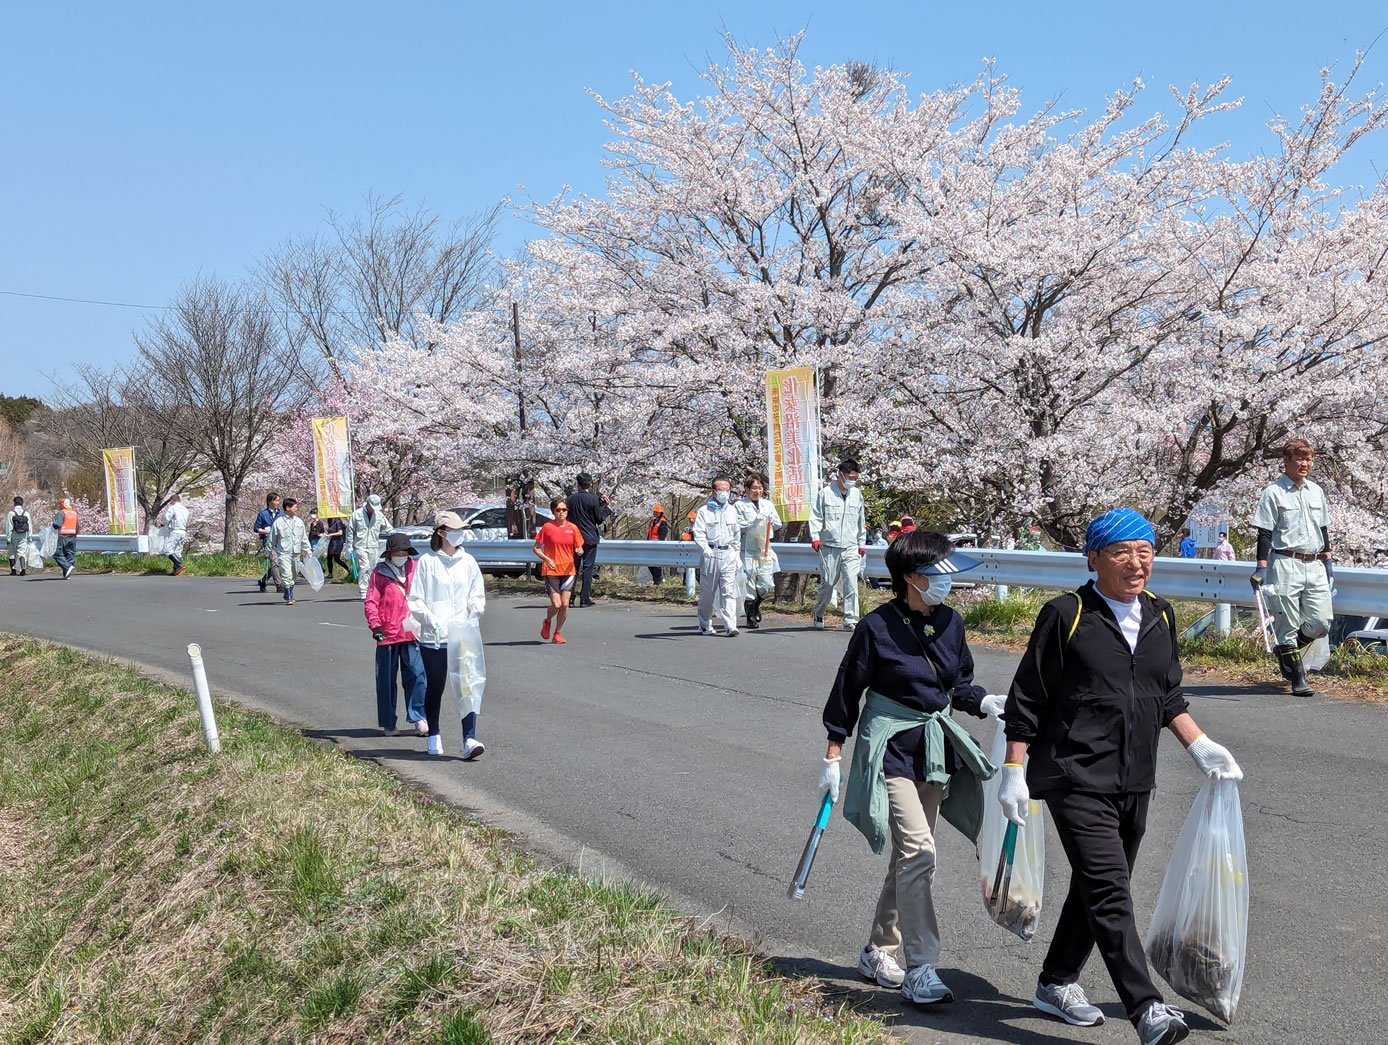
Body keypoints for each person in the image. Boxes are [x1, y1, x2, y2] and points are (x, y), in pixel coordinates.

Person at [999, 507, 1243, 1045]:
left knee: (1099, 884)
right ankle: (1147, 1009)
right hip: (1073, 773)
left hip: (1135, 777)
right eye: (1122, 553)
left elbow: (1167, 694)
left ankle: (1056, 980)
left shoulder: (1160, 614)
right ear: (1094, 559)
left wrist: (1201, 746)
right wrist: (1014, 768)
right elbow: (1027, 699)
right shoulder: (1066, 615)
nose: (1136, 564)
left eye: (1145, 552)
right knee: (1111, 892)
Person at [818, 529, 1003, 1006]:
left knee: (910, 857)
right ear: (910, 578)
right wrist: (833, 753)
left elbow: (959, 684)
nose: (945, 582)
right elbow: (847, 690)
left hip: (932, 749)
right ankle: (921, 966)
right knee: (920, 851)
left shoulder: (951, 622)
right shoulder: (875, 627)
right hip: (889, 749)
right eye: (936, 573)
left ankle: (878, 950)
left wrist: (985, 703)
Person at [1250, 438, 1334, 698]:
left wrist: (1328, 560)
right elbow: (1265, 532)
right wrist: (1261, 568)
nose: (1304, 464)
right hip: (1285, 561)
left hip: (1314, 562)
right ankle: (1298, 678)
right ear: (1286, 461)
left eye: (1308, 459)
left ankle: (1287, 653)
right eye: (1299, 458)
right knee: (1287, 622)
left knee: (1321, 622)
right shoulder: (1273, 493)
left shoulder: (1316, 491)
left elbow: (1323, 528)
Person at [408, 511, 487, 759]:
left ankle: (469, 738)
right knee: (436, 686)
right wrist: (429, 618)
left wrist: (475, 607)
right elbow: (416, 599)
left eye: (461, 530)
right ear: (441, 532)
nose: (459, 534)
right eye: (454, 530)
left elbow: (477, 593)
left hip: (462, 635)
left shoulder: (468, 562)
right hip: (435, 637)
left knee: (467, 685)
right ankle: (434, 734)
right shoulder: (427, 562)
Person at [365, 532, 428, 738]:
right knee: (386, 679)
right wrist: (375, 626)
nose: (401, 556)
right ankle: (388, 722)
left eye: (404, 552)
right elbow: (371, 602)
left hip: (412, 631)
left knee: (417, 675)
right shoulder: (379, 573)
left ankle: (419, 717)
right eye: (397, 553)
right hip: (387, 633)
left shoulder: (415, 568)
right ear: (389, 554)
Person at [810, 459, 867, 630]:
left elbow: (861, 520)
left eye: (855, 478)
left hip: (850, 546)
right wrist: (815, 537)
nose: (852, 481)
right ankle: (819, 612)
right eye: (850, 477)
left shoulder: (857, 494)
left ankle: (850, 619)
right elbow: (816, 517)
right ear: (840, 475)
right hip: (829, 546)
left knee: (851, 583)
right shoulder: (825, 493)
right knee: (828, 582)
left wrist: (861, 542)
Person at [693, 477, 742, 637]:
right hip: (711, 555)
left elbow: (736, 535)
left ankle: (730, 625)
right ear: (714, 491)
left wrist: (737, 554)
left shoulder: (732, 510)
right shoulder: (704, 511)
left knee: (728, 592)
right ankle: (704, 624)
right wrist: (705, 548)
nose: (724, 493)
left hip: (728, 554)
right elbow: (698, 533)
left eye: (727, 490)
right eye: (721, 490)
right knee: (708, 593)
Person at [533, 498, 584, 643]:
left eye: (564, 510)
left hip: (568, 570)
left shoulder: (573, 528)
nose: (561, 512)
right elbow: (536, 548)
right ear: (553, 511)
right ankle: (547, 620)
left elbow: (579, 546)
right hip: (551, 570)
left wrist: (579, 550)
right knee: (556, 604)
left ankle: (557, 633)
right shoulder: (548, 527)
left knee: (565, 604)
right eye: (558, 510)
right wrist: (547, 559)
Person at [735, 473, 782, 630]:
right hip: (748, 550)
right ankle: (750, 616)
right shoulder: (739, 506)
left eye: (760, 488)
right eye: (754, 488)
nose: (757, 491)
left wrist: (771, 521)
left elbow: (778, 523)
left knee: (766, 584)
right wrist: (753, 522)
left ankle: (756, 605)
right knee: (749, 584)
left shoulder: (767, 504)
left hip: (765, 549)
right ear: (747, 489)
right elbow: (737, 527)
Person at [565, 473, 610, 607]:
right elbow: (598, 519)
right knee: (588, 568)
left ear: (577, 484)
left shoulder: (570, 500)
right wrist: (606, 508)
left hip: (573, 538)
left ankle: (570, 598)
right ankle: (584, 598)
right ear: (590, 484)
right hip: (590, 538)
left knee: (573, 568)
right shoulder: (593, 499)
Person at [347, 494, 394, 601]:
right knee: (365, 566)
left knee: (372, 568)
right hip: (360, 545)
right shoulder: (357, 514)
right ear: (367, 504)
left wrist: (394, 535)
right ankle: (363, 590)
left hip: (373, 545)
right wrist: (349, 546)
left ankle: (371, 589)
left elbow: (388, 528)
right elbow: (350, 531)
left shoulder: (379, 515)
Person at [269, 498, 311, 605]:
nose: (297, 509)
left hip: (296, 552)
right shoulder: (278, 522)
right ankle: (289, 596)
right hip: (284, 552)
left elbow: (304, 537)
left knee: (294, 573)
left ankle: (289, 591)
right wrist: (267, 551)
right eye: (295, 507)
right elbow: (272, 538)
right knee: (286, 573)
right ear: (288, 508)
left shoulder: (299, 521)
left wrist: (307, 549)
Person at [253, 492, 284, 593]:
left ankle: (263, 581)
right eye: (276, 500)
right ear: (269, 501)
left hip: (280, 542)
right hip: (268, 541)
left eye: (278, 500)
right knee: (274, 562)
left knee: (278, 563)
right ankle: (279, 585)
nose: (278, 502)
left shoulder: (281, 514)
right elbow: (256, 528)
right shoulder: (263, 514)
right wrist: (267, 531)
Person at [159, 493, 190, 576]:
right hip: (183, 531)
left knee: (167, 549)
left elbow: (166, 518)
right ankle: (175, 570)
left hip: (175, 531)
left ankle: (179, 564)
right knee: (178, 551)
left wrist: (163, 524)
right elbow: (188, 521)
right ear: (179, 500)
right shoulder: (185, 509)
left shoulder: (173, 508)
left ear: (171, 501)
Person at [51, 497, 78, 579]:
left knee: (57, 554)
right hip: (72, 536)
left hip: (62, 536)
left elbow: (57, 524)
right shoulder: (74, 513)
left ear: (62, 505)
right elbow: (77, 526)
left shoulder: (61, 513)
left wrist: (52, 524)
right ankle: (67, 573)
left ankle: (67, 567)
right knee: (70, 553)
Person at [6, 496, 33, 576]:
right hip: (23, 535)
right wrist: (29, 536)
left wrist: (8, 538)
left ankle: (13, 570)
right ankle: (22, 570)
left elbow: (9, 527)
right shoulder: (26, 513)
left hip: (14, 535)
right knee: (22, 553)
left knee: (12, 552)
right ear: (22, 503)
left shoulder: (11, 513)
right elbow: (30, 526)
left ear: (14, 503)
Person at [646, 504, 670, 584]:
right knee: (649, 564)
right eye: (655, 512)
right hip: (650, 546)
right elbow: (649, 534)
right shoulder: (652, 522)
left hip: (658, 546)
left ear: (660, 513)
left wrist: (660, 545)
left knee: (656, 564)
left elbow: (662, 536)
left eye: (657, 512)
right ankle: (657, 579)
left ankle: (658, 580)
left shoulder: (663, 523)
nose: (655, 513)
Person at [323, 515, 348, 580]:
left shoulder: (338, 522)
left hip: (338, 542)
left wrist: (331, 534)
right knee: (329, 557)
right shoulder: (330, 521)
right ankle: (330, 574)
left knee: (337, 559)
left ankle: (348, 569)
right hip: (332, 541)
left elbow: (340, 532)